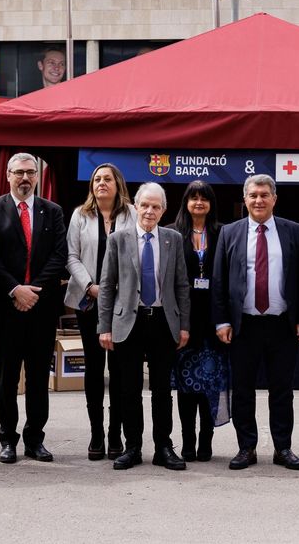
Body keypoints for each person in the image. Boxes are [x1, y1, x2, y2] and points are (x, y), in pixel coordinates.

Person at [213, 174, 299, 471]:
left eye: (264, 195)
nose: (259, 200)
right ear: (245, 199)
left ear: (274, 199)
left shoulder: (293, 231)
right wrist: (221, 321)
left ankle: (283, 448)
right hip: (244, 325)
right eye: (253, 195)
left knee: (282, 390)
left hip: (282, 324)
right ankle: (247, 448)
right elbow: (219, 281)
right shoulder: (230, 232)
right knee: (243, 389)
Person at [98, 183, 191, 470]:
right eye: (145, 205)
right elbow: (106, 286)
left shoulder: (173, 239)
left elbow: (181, 285)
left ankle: (164, 446)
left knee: (163, 389)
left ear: (163, 210)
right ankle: (133, 447)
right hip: (129, 321)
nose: (150, 211)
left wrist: (184, 325)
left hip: (164, 321)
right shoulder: (118, 239)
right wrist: (105, 326)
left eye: (156, 206)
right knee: (129, 389)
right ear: (135, 206)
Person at [0, 152, 68, 463]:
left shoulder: (53, 211)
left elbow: (59, 256)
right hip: (7, 309)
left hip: (41, 308)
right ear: (8, 175)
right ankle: (8, 439)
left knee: (37, 378)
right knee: (7, 378)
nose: (25, 178)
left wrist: (33, 291)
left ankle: (35, 438)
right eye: (19, 172)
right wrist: (15, 289)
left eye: (30, 173)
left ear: (37, 176)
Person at [65, 163, 136, 460]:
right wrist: (91, 285)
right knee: (94, 368)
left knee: (119, 370)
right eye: (97, 179)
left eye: (107, 179)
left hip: (123, 303)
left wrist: (119, 290)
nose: (101, 183)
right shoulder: (80, 215)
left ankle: (116, 435)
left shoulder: (132, 214)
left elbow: (139, 253)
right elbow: (71, 256)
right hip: (90, 300)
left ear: (118, 184)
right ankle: (96, 434)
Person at [169, 180, 229, 462]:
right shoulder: (171, 233)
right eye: (193, 198)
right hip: (183, 321)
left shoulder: (223, 234)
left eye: (204, 198)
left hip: (213, 320)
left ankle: (206, 441)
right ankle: (188, 442)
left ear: (211, 203)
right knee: (185, 387)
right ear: (186, 202)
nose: (198, 203)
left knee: (209, 386)